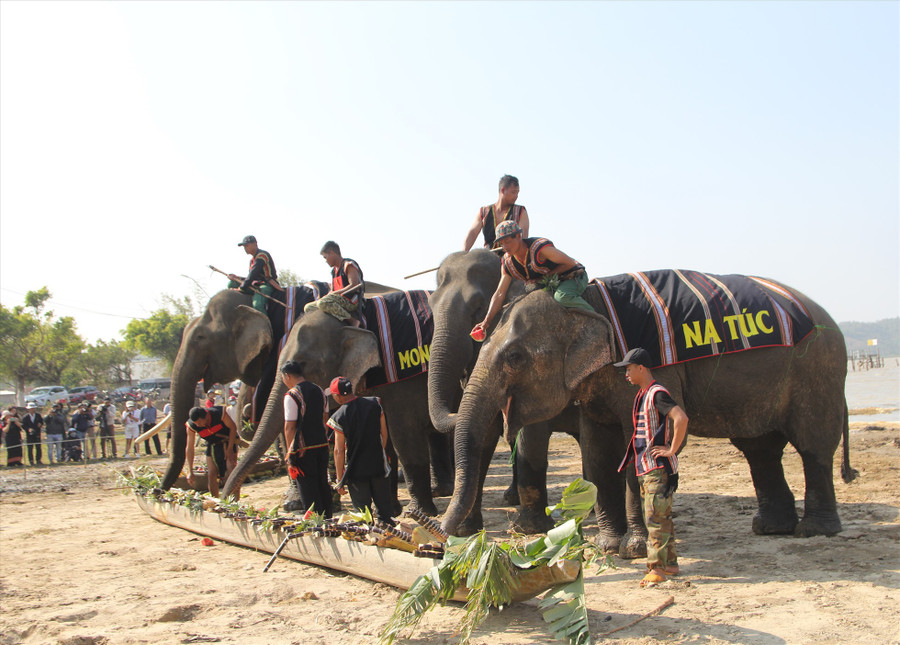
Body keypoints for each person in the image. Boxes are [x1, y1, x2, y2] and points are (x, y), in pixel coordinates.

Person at [614, 348, 689, 587]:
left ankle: (656, 568)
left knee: (654, 519)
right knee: (661, 516)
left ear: (641, 368)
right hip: (647, 467)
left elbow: (681, 418)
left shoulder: (657, 394)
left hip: (657, 467)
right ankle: (670, 563)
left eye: (628, 369)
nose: (626, 373)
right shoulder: (643, 394)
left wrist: (671, 449)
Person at [471, 221, 594, 338]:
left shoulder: (540, 248)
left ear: (519, 236)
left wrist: (544, 277)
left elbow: (570, 263)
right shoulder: (507, 262)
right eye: (501, 243)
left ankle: (595, 321)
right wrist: (486, 322)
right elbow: (500, 293)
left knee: (562, 297)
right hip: (547, 286)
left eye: (507, 241)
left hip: (572, 277)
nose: (505, 247)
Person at [327, 376, 395, 525]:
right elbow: (384, 433)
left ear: (337, 396)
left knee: (363, 515)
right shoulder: (374, 403)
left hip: (356, 470)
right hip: (379, 465)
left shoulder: (339, 416)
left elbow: (339, 450)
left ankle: (371, 534)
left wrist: (339, 478)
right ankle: (387, 528)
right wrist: (378, 452)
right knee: (385, 513)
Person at [280, 360, 332, 517]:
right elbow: (325, 418)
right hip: (322, 445)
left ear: (287, 376)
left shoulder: (292, 395)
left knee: (308, 487)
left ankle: (316, 521)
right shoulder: (319, 390)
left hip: (303, 448)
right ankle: (327, 517)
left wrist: (290, 452)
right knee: (323, 483)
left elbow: (290, 427)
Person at [303, 241, 365, 327]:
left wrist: (335, 293)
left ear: (332, 253)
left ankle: (352, 320)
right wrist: (328, 295)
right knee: (308, 307)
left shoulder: (348, 265)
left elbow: (354, 285)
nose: (325, 261)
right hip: (338, 299)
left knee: (323, 303)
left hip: (352, 300)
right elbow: (333, 290)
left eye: (325, 257)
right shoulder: (334, 271)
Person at [463, 174, 530, 252]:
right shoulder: (484, 212)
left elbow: (523, 237)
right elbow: (473, 232)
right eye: (513, 192)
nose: (516, 196)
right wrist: (463, 253)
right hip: (488, 257)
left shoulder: (520, 211)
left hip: (510, 256)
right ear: (502, 190)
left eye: (517, 193)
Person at [185, 405, 240, 498]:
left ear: (205, 416)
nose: (198, 425)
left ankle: (234, 501)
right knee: (211, 473)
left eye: (199, 422)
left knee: (231, 471)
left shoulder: (218, 413)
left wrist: (230, 449)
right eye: (196, 423)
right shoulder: (192, 425)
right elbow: (190, 447)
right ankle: (216, 501)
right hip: (212, 444)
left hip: (228, 441)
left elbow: (233, 427)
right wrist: (190, 471)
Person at [227, 235, 280, 314]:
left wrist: (241, 288)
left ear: (255, 244)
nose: (245, 248)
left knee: (257, 305)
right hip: (256, 284)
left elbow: (253, 274)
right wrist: (237, 278)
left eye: (247, 245)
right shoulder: (252, 260)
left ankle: (265, 325)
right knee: (232, 283)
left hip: (266, 285)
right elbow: (252, 277)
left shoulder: (262, 255)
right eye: (244, 246)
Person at [22, 401, 45, 466]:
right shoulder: (25, 417)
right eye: (31, 408)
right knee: (30, 448)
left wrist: (40, 424)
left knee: (38, 447)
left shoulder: (38, 415)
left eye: (33, 408)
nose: (33, 410)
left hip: (37, 433)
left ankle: (38, 460)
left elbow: (41, 422)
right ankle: (31, 461)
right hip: (29, 435)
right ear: (28, 409)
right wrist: (28, 429)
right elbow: (23, 425)